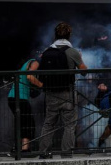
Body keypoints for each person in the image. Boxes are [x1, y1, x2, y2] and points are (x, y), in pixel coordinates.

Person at [38, 22, 87, 159]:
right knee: (70, 125)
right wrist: (80, 58)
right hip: (67, 93)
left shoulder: (47, 52)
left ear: (55, 35)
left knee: (48, 124)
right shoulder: (72, 52)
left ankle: (44, 153)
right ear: (69, 35)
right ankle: (66, 154)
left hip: (51, 93)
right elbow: (84, 71)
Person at [7, 54, 43, 152]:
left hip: (12, 97)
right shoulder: (35, 62)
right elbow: (30, 77)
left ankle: (17, 147)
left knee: (20, 122)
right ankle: (24, 148)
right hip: (21, 98)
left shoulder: (25, 65)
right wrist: (41, 85)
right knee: (28, 122)